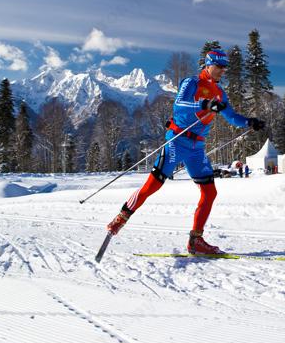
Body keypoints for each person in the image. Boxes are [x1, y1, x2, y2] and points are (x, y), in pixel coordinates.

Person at [105, 49, 265, 254]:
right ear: (208, 65)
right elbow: (180, 105)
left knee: (210, 192)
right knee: (152, 186)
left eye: (225, 68)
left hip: (197, 148)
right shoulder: (192, 83)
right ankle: (121, 218)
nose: (222, 71)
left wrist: (249, 122)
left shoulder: (219, 93)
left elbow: (231, 116)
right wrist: (205, 104)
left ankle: (196, 240)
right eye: (219, 67)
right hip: (177, 141)